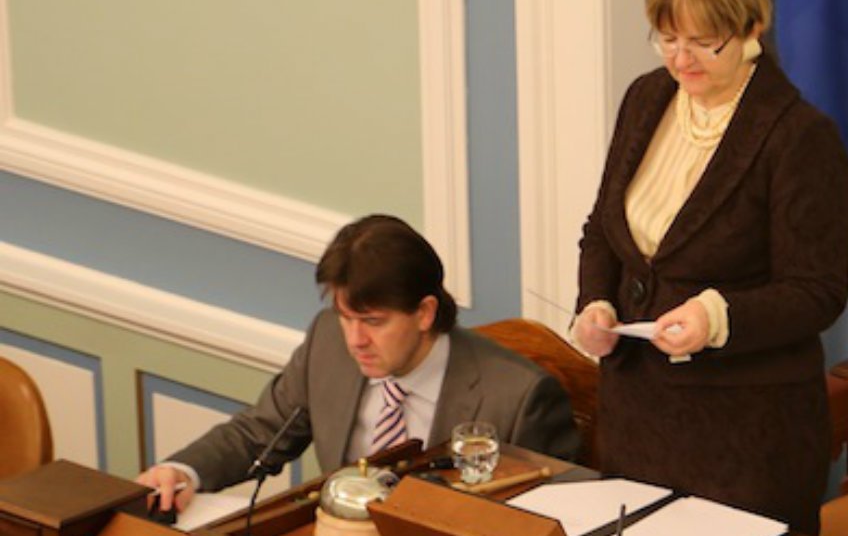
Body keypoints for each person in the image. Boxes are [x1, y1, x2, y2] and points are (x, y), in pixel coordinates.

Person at [571, 0, 848, 530]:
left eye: (703, 41)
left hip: (744, 437)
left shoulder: (800, 137)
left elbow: (818, 291)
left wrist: (716, 318)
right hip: (636, 421)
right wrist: (594, 301)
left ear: (752, 28)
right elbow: (604, 230)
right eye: (667, 38)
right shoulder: (645, 99)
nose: (680, 59)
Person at [138, 215, 581, 511]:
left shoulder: (519, 398)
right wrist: (182, 471)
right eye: (346, 317)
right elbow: (260, 433)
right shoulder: (327, 342)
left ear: (425, 313)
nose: (355, 341)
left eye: (372, 322)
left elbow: (543, 530)